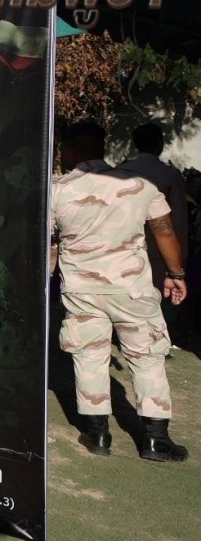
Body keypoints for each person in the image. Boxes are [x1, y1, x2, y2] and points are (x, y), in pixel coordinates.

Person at [52, 121, 188, 462]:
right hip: (132, 289)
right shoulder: (140, 186)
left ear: (70, 151)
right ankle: (156, 440)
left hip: (83, 290)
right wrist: (175, 274)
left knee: (89, 356)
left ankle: (98, 435)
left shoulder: (58, 191)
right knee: (147, 359)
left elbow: (47, 240)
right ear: (101, 147)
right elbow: (165, 231)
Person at [119, 122, 192, 348]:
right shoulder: (168, 175)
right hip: (157, 250)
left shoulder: (120, 171)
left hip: (123, 245)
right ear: (160, 144)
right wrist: (179, 264)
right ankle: (154, 340)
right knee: (156, 298)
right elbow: (177, 221)